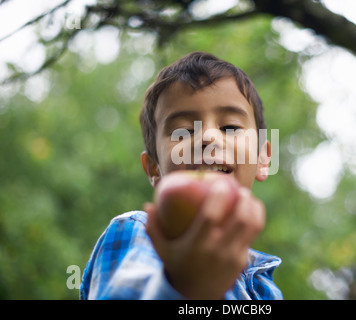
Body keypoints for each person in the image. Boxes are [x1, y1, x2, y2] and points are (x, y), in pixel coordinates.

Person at [79, 51, 283, 300]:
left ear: (262, 158)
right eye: (183, 131)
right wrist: (183, 287)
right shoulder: (139, 233)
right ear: (154, 168)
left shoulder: (264, 286)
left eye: (230, 127)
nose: (208, 137)